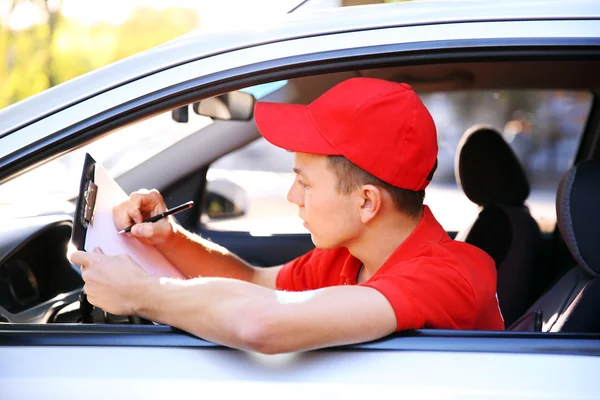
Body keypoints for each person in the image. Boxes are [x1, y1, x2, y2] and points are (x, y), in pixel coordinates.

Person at [69, 78, 504, 354]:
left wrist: (143, 294)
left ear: (367, 202)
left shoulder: (449, 276)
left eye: (306, 183)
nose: (291, 195)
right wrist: (169, 238)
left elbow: (262, 322)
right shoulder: (350, 258)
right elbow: (256, 285)